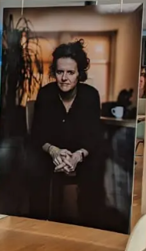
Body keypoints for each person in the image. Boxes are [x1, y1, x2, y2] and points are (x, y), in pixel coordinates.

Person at [29, 39, 104, 227]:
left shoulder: (90, 95)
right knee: (32, 164)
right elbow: (37, 134)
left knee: (97, 166)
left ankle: (89, 226)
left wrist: (78, 156)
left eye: (70, 72)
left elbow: (94, 136)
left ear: (79, 74)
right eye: (60, 72)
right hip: (51, 153)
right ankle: (38, 223)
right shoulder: (46, 94)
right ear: (54, 72)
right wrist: (54, 151)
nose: (64, 78)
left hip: (80, 153)